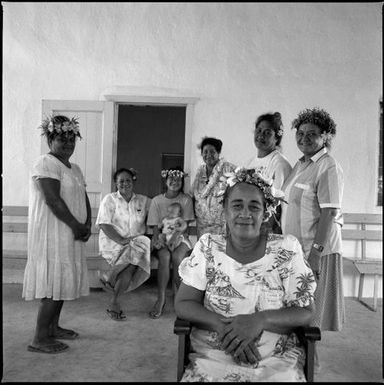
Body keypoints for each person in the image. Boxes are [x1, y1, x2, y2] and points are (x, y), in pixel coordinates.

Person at [175, 167, 316, 382]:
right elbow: (184, 302)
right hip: (216, 350)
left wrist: (259, 320)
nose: (245, 214)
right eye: (237, 205)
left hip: (273, 354)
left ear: (266, 213)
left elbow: (306, 311)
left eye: (254, 206)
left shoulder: (286, 249)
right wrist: (227, 329)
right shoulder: (208, 246)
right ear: (224, 210)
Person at [281, 107, 345, 370]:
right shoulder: (302, 163)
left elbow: (330, 212)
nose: (305, 138)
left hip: (315, 250)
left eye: (312, 134)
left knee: (310, 310)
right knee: (295, 304)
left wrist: (315, 254)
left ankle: (310, 363)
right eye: (301, 133)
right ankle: (299, 355)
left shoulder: (328, 166)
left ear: (325, 137)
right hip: (296, 248)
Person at [22, 115, 92, 354]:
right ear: (50, 138)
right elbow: (52, 199)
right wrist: (75, 225)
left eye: (72, 139)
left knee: (61, 280)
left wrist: (87, 223)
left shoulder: (75, 168)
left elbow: (83, 197)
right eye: (62, 138)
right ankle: (39, 337)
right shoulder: (46, 163)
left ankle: (53, 328)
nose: (68, 143)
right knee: (53, 281)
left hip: (70, 232)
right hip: (53, 234)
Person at [95, 168, 151, 321]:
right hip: (113, 243)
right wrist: (120, 240)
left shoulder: (143, 201)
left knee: (142, 244)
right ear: (115, 183)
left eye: (128, 180)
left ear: (133, 181)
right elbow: (103, 224)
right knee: (132, 263)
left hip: (135, 245)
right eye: (121, 181)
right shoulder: (109, 199)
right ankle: (114, 298)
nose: (125, 183)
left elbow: (159, 209)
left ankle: (112, 284)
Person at [147, 167, 195, 319]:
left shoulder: (186, 199)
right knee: (165, 257)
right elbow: (155, 226)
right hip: (163, 238)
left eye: (178, 180)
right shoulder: (157, 201)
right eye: (171, 179)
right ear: (165, 181)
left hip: (181, 238)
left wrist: (174, 239)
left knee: (176, 257)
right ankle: (161, 298)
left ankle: (180, 298)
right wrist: (157, 241)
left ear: (182, 181)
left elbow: (184, 226)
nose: (174, 182)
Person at [246, 112, 292, 233]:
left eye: (267, 133)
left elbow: (276, 205)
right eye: (259, 130)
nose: (261, 135)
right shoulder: (250, 162)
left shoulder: (279, 164)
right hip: (251, 224)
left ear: (276, 138)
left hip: (268, 228)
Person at [192, 137, 236, 239]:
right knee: (204, 253)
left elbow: (242, 182)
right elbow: (194, 194)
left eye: (212, 152)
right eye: (205, 152)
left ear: (218, 152)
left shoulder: (228, 168)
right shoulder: (200, 172)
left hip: (223, 226)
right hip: (202, 227)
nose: (208, 155)